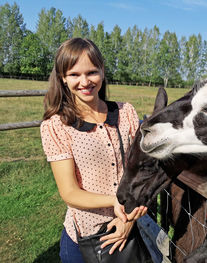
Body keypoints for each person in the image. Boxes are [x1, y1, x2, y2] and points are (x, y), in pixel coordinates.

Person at [40, 38, 147, 263]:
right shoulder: (56, 126)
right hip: (85, 238)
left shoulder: (126, 113)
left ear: (103, 71)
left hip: (128, 230)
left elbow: (143, 171)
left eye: (92, 72)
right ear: (63, 78)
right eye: (74, 74)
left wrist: (128, 219)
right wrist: (115, 201)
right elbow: (69, 192)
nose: (85, 81)